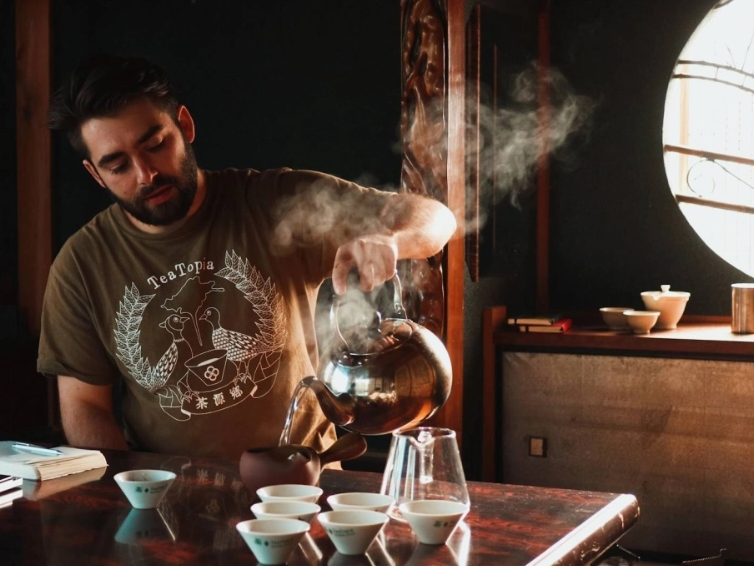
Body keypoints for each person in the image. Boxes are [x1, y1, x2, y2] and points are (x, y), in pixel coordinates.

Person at [38, 54, 456, 460]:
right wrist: (131, 495)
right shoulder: (82, 264)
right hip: (171, 495)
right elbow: (84, 408)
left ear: (184, 125)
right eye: (118, 166)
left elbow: (437, 221)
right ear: (95, 174)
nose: (146, 174)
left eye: (155, 145)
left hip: (306, 481)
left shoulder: (276, 203)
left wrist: (390, 238)